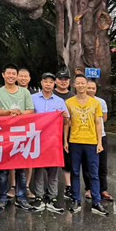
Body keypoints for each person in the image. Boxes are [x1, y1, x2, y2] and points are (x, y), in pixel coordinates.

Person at [0, 63, 35, 211]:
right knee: (3, 169)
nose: (11, 76)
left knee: (21, 169)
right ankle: (2, 197)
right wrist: (9, 112)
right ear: (3, 75)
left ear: (16, 76)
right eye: (8, 73)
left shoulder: (25, 92)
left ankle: (21, 197)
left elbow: (30, 110)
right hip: (3, 134)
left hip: (21, 134)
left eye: (13, 74)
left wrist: (20, 113)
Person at [64, 74, 109, 216]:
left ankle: (96, 202)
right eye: (78, 83)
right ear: (74, 85)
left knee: (94, 173)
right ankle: (76, 199)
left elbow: (98, 123)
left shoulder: (95, 103)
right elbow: (66, 123)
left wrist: (99, 142)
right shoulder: (69, 102)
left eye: (83, 83)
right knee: (75, 172)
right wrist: (65, 141)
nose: (81, 85)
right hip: (75, 141)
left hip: (91, 142)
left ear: (86, 84)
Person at [30, 72, 69, 213]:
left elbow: (66, 122)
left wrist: (65, 117)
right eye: (45, 81)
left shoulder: (59, 101)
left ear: (54, 84)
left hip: (54, 140)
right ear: (41, 82)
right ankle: (39, 196)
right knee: (39, 169)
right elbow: (27, 117)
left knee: (53, 169)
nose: (48, 84)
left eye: (51, 82)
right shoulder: (33, 98)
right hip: (37, 139)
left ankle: (53, 197)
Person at [83, 79, 113, 202]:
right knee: (87, 164)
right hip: (86, 136)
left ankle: (103, 189)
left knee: (102, 164)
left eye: (93, 88)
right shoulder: (81, 101)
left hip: (101, 136)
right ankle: (89, 188)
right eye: (88, 88)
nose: (90, 90)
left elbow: (103, 119)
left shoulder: (101, 102)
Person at [14, 67, 36, 200]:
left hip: (29, 131)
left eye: (25, 76)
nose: (23, 78)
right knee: (12, 158)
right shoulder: (11, 91)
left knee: (28, 160)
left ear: (29, 78)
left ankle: (26, 186)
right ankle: (12, 186)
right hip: (12, 131)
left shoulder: (35, 94)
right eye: (20, 76)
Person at [55, 70, 74, 199]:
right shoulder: (50, 94)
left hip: (69, 133)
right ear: (56, 81)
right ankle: (49, 187)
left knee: (68, 161)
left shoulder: (73, 96)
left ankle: (68, 186)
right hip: (51, 133)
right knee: (49, 162)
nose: (63, 82)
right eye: (60, 79)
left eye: (66, 79)